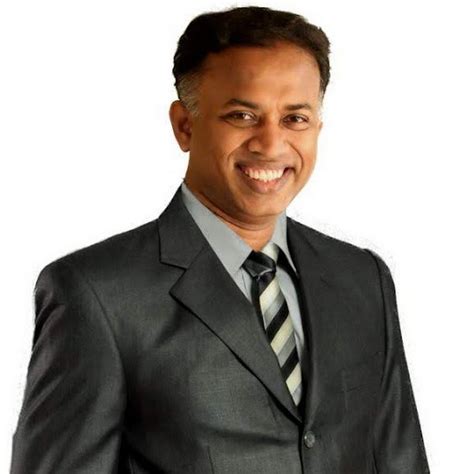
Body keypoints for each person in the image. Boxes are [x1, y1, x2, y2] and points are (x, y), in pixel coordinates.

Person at [10, 6, 430, 473]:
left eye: (295, 119)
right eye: (243, 115)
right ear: (184, 125)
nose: (271, 144)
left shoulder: (363, 279)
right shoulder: (97, 295)